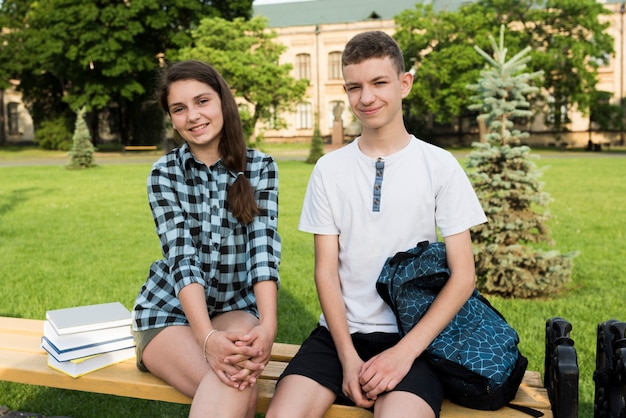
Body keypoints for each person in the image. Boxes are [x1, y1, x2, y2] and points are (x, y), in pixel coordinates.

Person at [265, 31, 487, 418]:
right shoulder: (328, 169)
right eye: (354, 87)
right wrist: (348, 359)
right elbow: (325, 272)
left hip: (413, 338)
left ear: (405, 83)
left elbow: (464, 276)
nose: (366, 98)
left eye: (379, 83)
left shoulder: (439, 165)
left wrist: (403, 354)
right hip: (339, 338)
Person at [131, 60, 281, 418]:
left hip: (235, 309)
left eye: (202, 101)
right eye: (179, 109)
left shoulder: (260, 167)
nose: (193, 116)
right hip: (168, 314)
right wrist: (207, 339)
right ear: (171, 117)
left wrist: (268, 325)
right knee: (235, 386)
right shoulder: (164, 174)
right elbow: (182, 259)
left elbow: (263, 250)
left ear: (222, 102)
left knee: (234, 383)